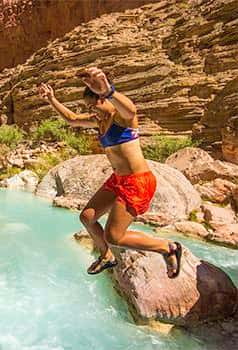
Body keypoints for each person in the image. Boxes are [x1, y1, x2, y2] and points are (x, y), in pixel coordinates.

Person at [38, 67, 182, 278]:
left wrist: (108, 91)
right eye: (89, 107)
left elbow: (131, 110)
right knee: (87, 217)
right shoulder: (99, 121)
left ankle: (167, 247)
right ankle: (107, 256)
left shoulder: (121, 118)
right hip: (118, 180)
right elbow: (71, 119)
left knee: (114, 236)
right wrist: (51, 99)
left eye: (94, 104)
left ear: (105, 99)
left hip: (137, 182)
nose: (92, 111)